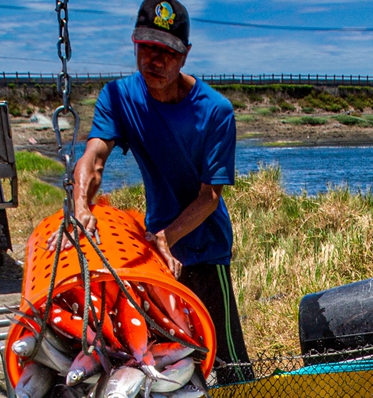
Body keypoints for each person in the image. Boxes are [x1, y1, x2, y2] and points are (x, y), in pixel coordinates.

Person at [63, 0, 250, 378]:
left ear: (185, 56)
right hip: (153, 253)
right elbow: (95, 156)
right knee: (165, 358)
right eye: (147, 47)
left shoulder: (216, 111)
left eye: (167, 52)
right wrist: (81, 204)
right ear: (134, 44)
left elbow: (209, 197)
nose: (155, 60)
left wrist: (167, 237)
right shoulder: (119, 97)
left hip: (205, 247)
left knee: (232, 366)